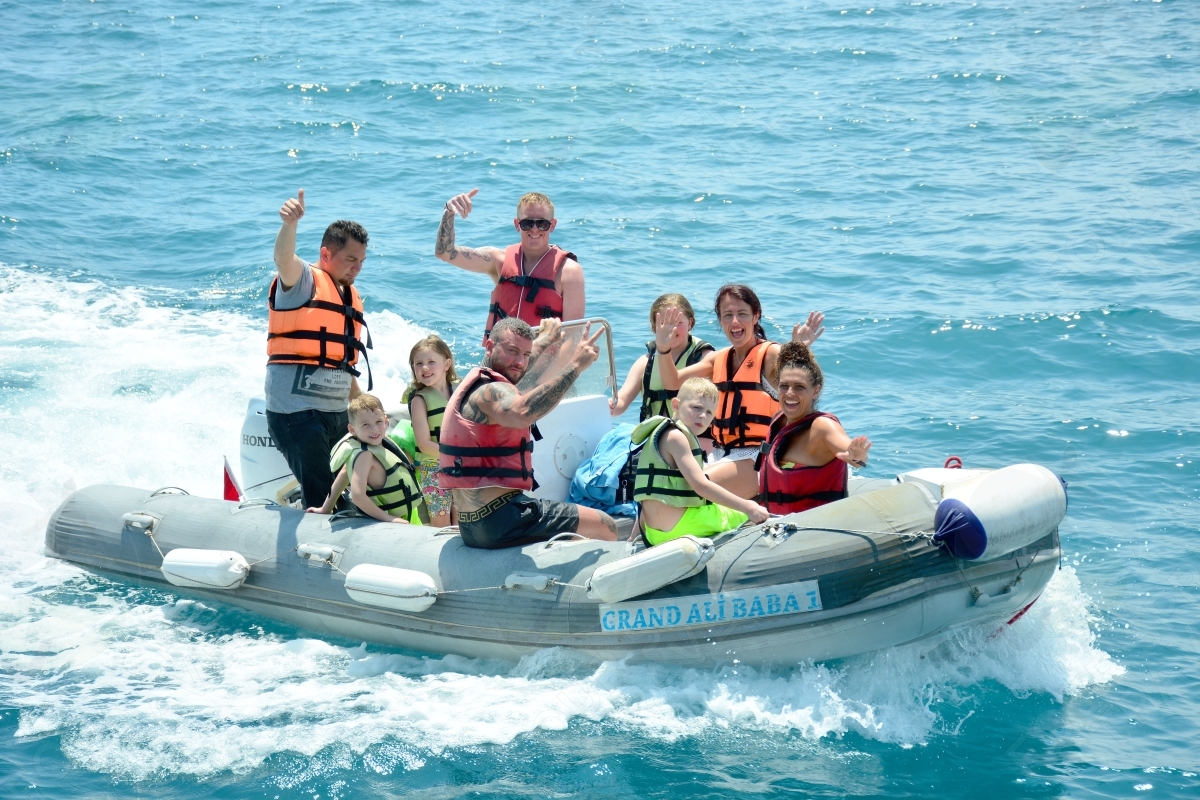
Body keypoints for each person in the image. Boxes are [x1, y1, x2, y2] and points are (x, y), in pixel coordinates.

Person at [438, 317, 618, 549]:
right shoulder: (491, 390)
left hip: (470, 525)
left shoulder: (476, 382)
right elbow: (522, 411)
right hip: (502, 518)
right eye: (513, 351)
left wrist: (546, 339)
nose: (520, 361)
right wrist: (576, 365)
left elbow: (517, 364)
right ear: (490, 347)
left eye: (525, 354)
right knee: (606, 526)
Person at [651, 284, 825, 498]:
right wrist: (663, 348)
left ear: (756, 316)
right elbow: (672, 381)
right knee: (663, 482)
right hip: (720, 453)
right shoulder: (719, 358)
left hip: (758, 456)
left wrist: (801, 350)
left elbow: (802, 388)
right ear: (721, 321)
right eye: (727, 315)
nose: (735, 322)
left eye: (742, 314)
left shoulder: (771, 354)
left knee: (690, 488)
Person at [267, 189, 372, 510]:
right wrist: (290, 225)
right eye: (350, 259)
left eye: (361, 261)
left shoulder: (346, 297)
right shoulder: (302, 280)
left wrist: (364, 404)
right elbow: (283, 258)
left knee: (358, 489)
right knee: (323, 499)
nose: (357, 268)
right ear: (326, 254)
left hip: (338, 415)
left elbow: (340, 363)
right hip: (297, 415)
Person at [434, 188, 585, 343]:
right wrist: (449, 212)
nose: (534, 229)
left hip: (543, 363)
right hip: (498, 363)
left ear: (552, 225)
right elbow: (445, 253)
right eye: (527, 223)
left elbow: (572, 342)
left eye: (542, 223)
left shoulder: (569, 272)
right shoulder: (498, 260)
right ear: (516, 224)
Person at [633, 378, 768, 546]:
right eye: (697, 407)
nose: (703, 415)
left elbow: (648, 494)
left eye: (710, 412)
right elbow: (701, 486)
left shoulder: (662, 434)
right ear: (676, 405)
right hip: (680, 527)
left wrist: (634, 538)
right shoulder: (677, 438)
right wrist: (748, 507)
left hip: (654, 534)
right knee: (742, 513)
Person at [757, 342, 871, 513]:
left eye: (799, 387)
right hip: (773, 522)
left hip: (811, 527)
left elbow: (852, 455)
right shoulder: (779, 421)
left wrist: (856, 456)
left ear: (815, 391)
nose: (789, 393)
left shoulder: (822, 427)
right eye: (784, 386)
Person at [314, 394, 429, 524]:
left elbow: (345, 473)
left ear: (386, 421)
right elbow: (358, 496)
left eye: (378, 422)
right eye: (365, 425)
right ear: (352, 429)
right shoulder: (365, 455)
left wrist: (326, 508)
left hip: (405, 514)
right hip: (389, 518)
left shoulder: (374, 446)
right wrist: (389, 519)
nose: (374, 429)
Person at [610, 293, 715, 422]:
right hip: (653, 436)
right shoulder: (645, 362)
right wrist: (609, 406)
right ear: (654, 327)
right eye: (663, 323)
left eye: (678, 322)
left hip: (691, 437)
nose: (671, 329)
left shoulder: (704, 359)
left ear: (690, 323)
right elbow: (622, 401)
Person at [403, 335, 460, 527]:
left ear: (447, 364)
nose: (424, 368)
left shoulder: (461, 392)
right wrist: (456, 456)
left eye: (431, 362)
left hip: (462, 465)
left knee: (463, 516)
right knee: (441, 521)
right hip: (434, 468)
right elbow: (424, 444)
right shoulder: (420, 400)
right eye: (418, 364)